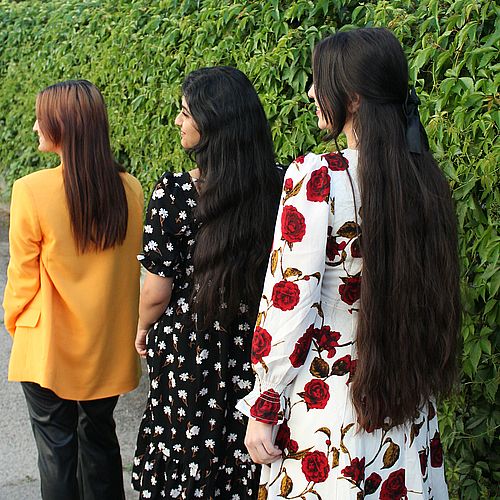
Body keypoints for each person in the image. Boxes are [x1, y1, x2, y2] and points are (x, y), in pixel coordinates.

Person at [239, 27, 460, 499]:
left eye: (320, 81)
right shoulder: (424, 177)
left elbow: (289, 300)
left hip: (330, 405)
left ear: (354, 98)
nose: (310, 92)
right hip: (405, 400)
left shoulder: (318, 177)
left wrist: (266, 400)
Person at [131, 66, 283, 499]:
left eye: (185, 112)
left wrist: (142, 328)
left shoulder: (175, 193)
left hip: (189, 354)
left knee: (184, 458)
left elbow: (156, 290)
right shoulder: (283, 184)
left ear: (213, 121)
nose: (178, 121)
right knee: (245, 462)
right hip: (255, 347)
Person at [2, 80, 143, 500]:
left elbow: (22, 278)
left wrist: (15, 323)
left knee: (56, 453)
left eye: (41, 118)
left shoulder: (31, 191)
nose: (35, 126)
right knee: (99, 439)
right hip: (105, 347)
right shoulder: (130, 189)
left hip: (47, 346)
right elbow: (127, 272)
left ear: (63, 125)